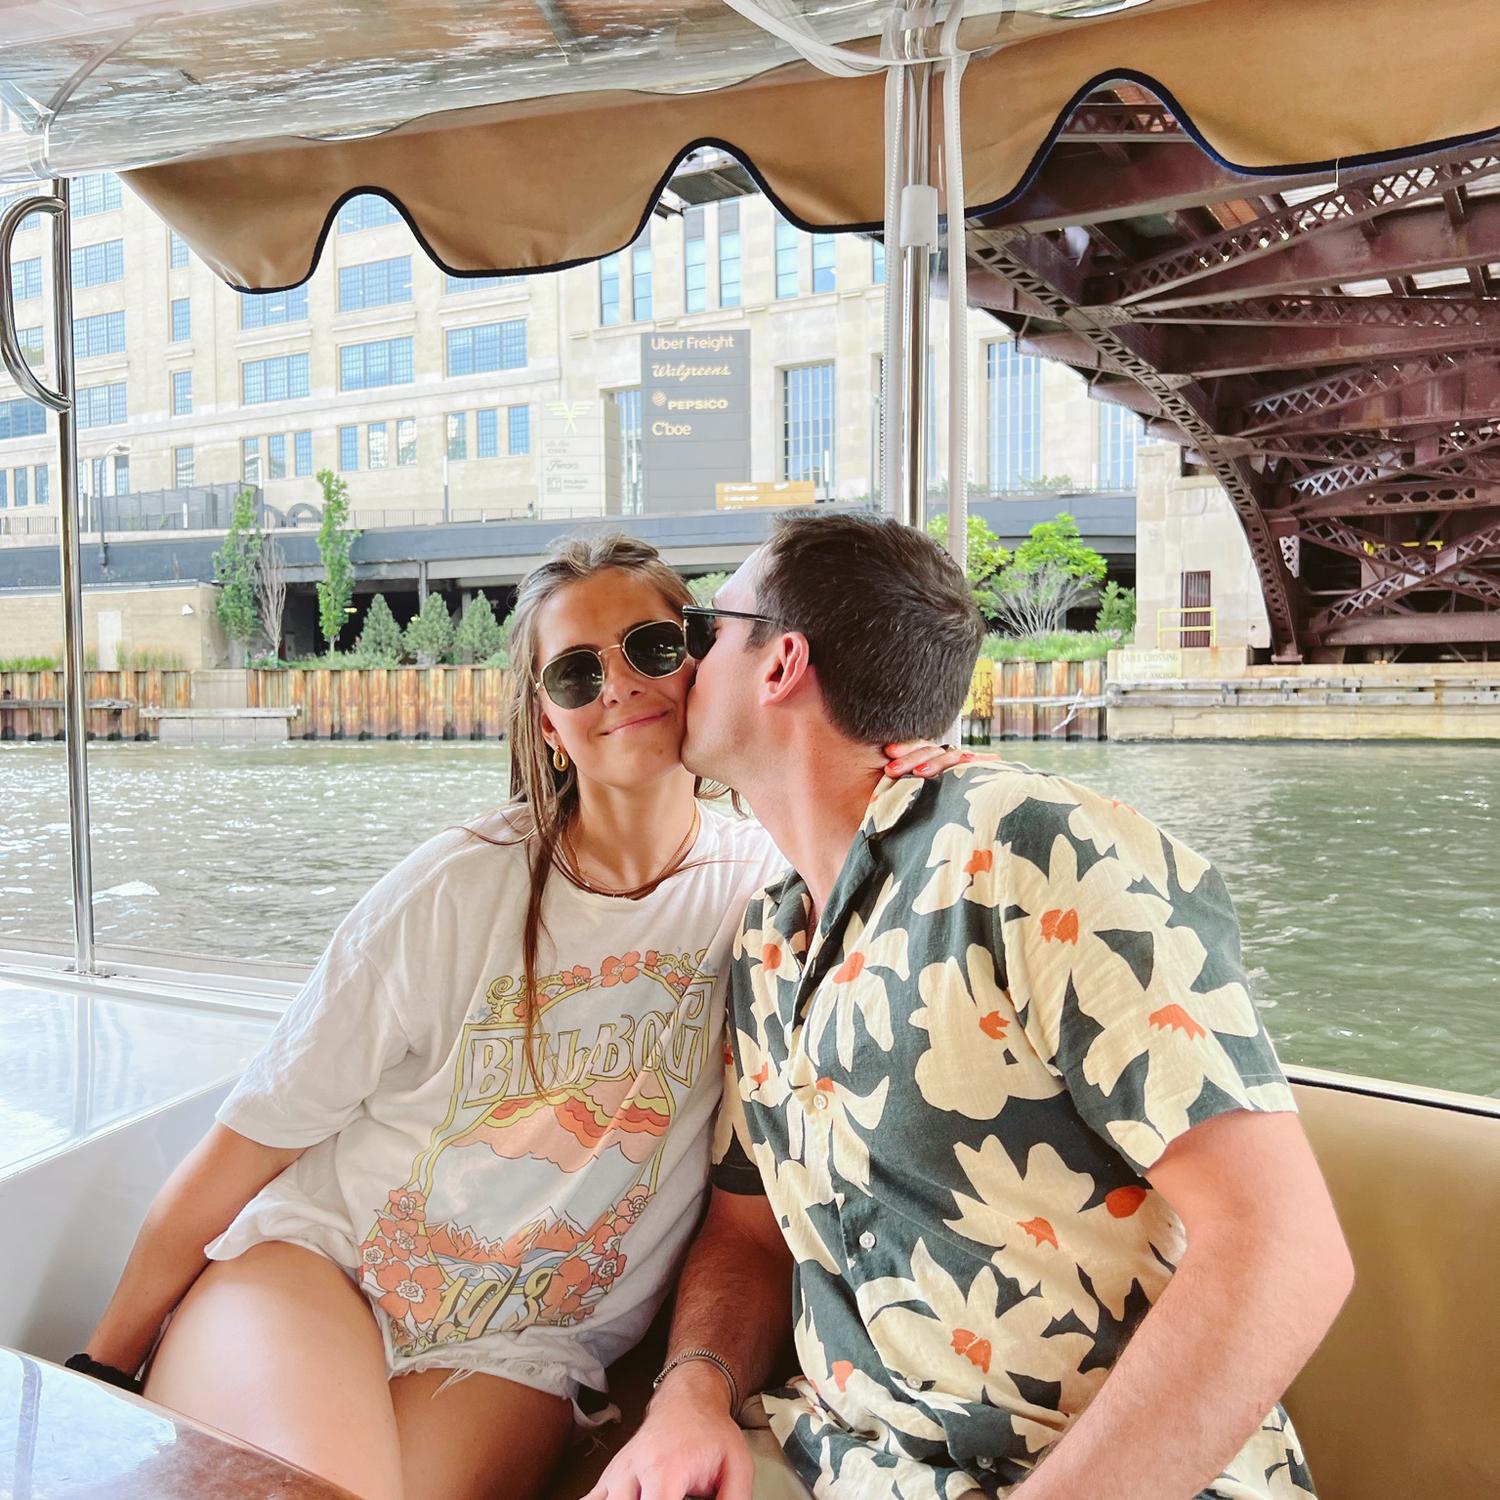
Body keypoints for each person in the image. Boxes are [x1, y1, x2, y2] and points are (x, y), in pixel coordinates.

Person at [73, 532, 966, 1500]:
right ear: (548, 723)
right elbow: (240, 1153)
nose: (618, 684)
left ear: (701, 660)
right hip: (322, 1270)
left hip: (525, 1349)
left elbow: (882, 833)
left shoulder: (765, 894)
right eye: (576, 673)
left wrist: (917, 770)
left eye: (651, 648)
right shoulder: (453, 894)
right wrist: (94, 1377)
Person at [589, 510, 1355, 1500]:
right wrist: (689, 1396)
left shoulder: (1032, 853)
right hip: (837, 1462)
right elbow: (748, 1235)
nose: (680, 668)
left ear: (780, 663)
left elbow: (1286, 1251)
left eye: (704, 633)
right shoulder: (770, 940)